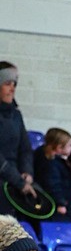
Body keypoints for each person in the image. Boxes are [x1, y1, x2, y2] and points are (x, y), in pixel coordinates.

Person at [0, 62, 35, 214]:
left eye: (14, 84)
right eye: (7, 84)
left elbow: (25, 148)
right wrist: (18, 181)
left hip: (15, 181)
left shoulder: (16, 115)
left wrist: (27, 172)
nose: (12, 89)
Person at [33, 127, 71, 218]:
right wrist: (60, 203)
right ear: (59, 147)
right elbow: (53, 185)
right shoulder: (52, 164)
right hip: (56, 209)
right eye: (70, 145)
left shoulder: (52, 161)